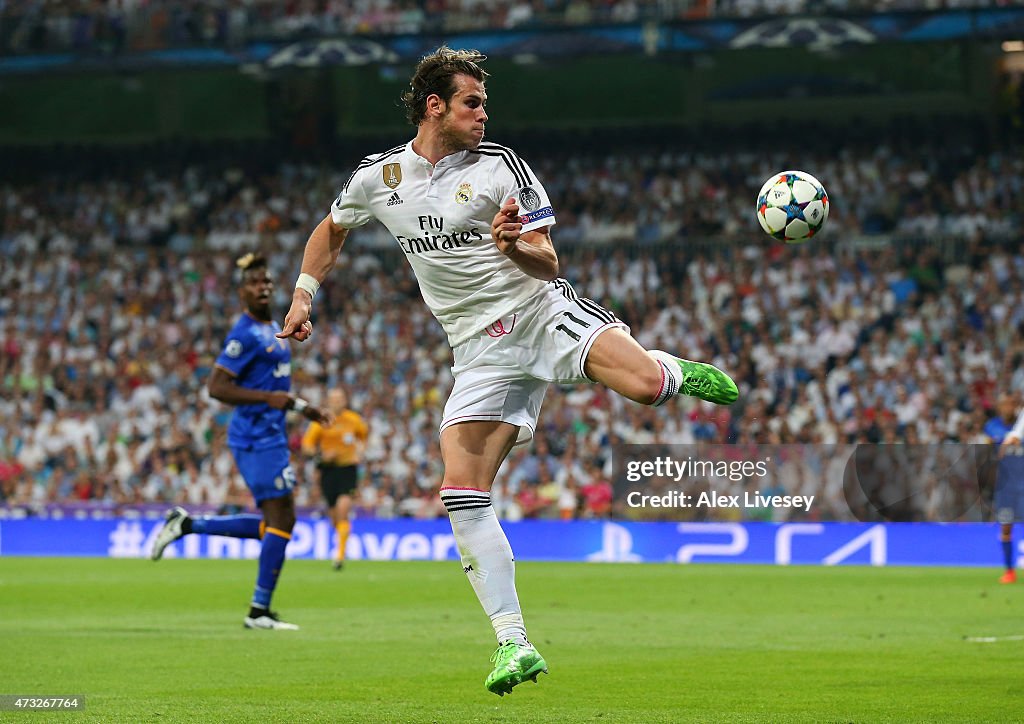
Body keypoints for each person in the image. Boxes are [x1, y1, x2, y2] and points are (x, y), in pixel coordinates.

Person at [277, 47, 738, 694]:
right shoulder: (378, 177)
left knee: (645, 390)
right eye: (473, 102)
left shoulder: (502, 168)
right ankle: (512, 643)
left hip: (538, 311)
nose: (483, 114)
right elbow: (333, 228)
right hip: (477, 351)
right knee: (459, 493)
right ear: (435, 106)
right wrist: (303, 296)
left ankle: (672, 370)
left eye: (485, 103)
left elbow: (549, 262)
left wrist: (514, 247)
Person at [151, 252, 332, 629]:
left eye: (266, 281)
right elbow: (216, 387)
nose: (263, 287)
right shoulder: (244, 333)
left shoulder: (274, 330)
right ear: (241, 292)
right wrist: (273, 401)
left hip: (271, 434)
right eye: (254, 283)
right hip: (254, 438)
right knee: (283, 518)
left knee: (276, 524)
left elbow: (272, 388)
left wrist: (301, 407)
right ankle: (258, 611)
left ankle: (187, 526)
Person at [301, 386, 368, 570]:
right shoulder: (320, 421)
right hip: (328, 470)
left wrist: (360, 451)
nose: (337, 401)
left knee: (343, 508)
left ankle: (339, 556)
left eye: (340, 398)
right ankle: (341, 544)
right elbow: (307, 446)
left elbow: (363, 438)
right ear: (329, 401)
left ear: (345, 400)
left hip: (347, 469)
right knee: (333, 516)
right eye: (334, 398)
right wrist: (321, 455)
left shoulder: (354, 420)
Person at [985, 394, 1024, 583]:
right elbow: (993, 443)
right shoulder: (993, 425)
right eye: (1003, 405)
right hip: (1006, 487)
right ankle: (1009, 571)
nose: (1006, 408)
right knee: (1006, 528)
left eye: (1010, 404)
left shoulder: (1021, 426)